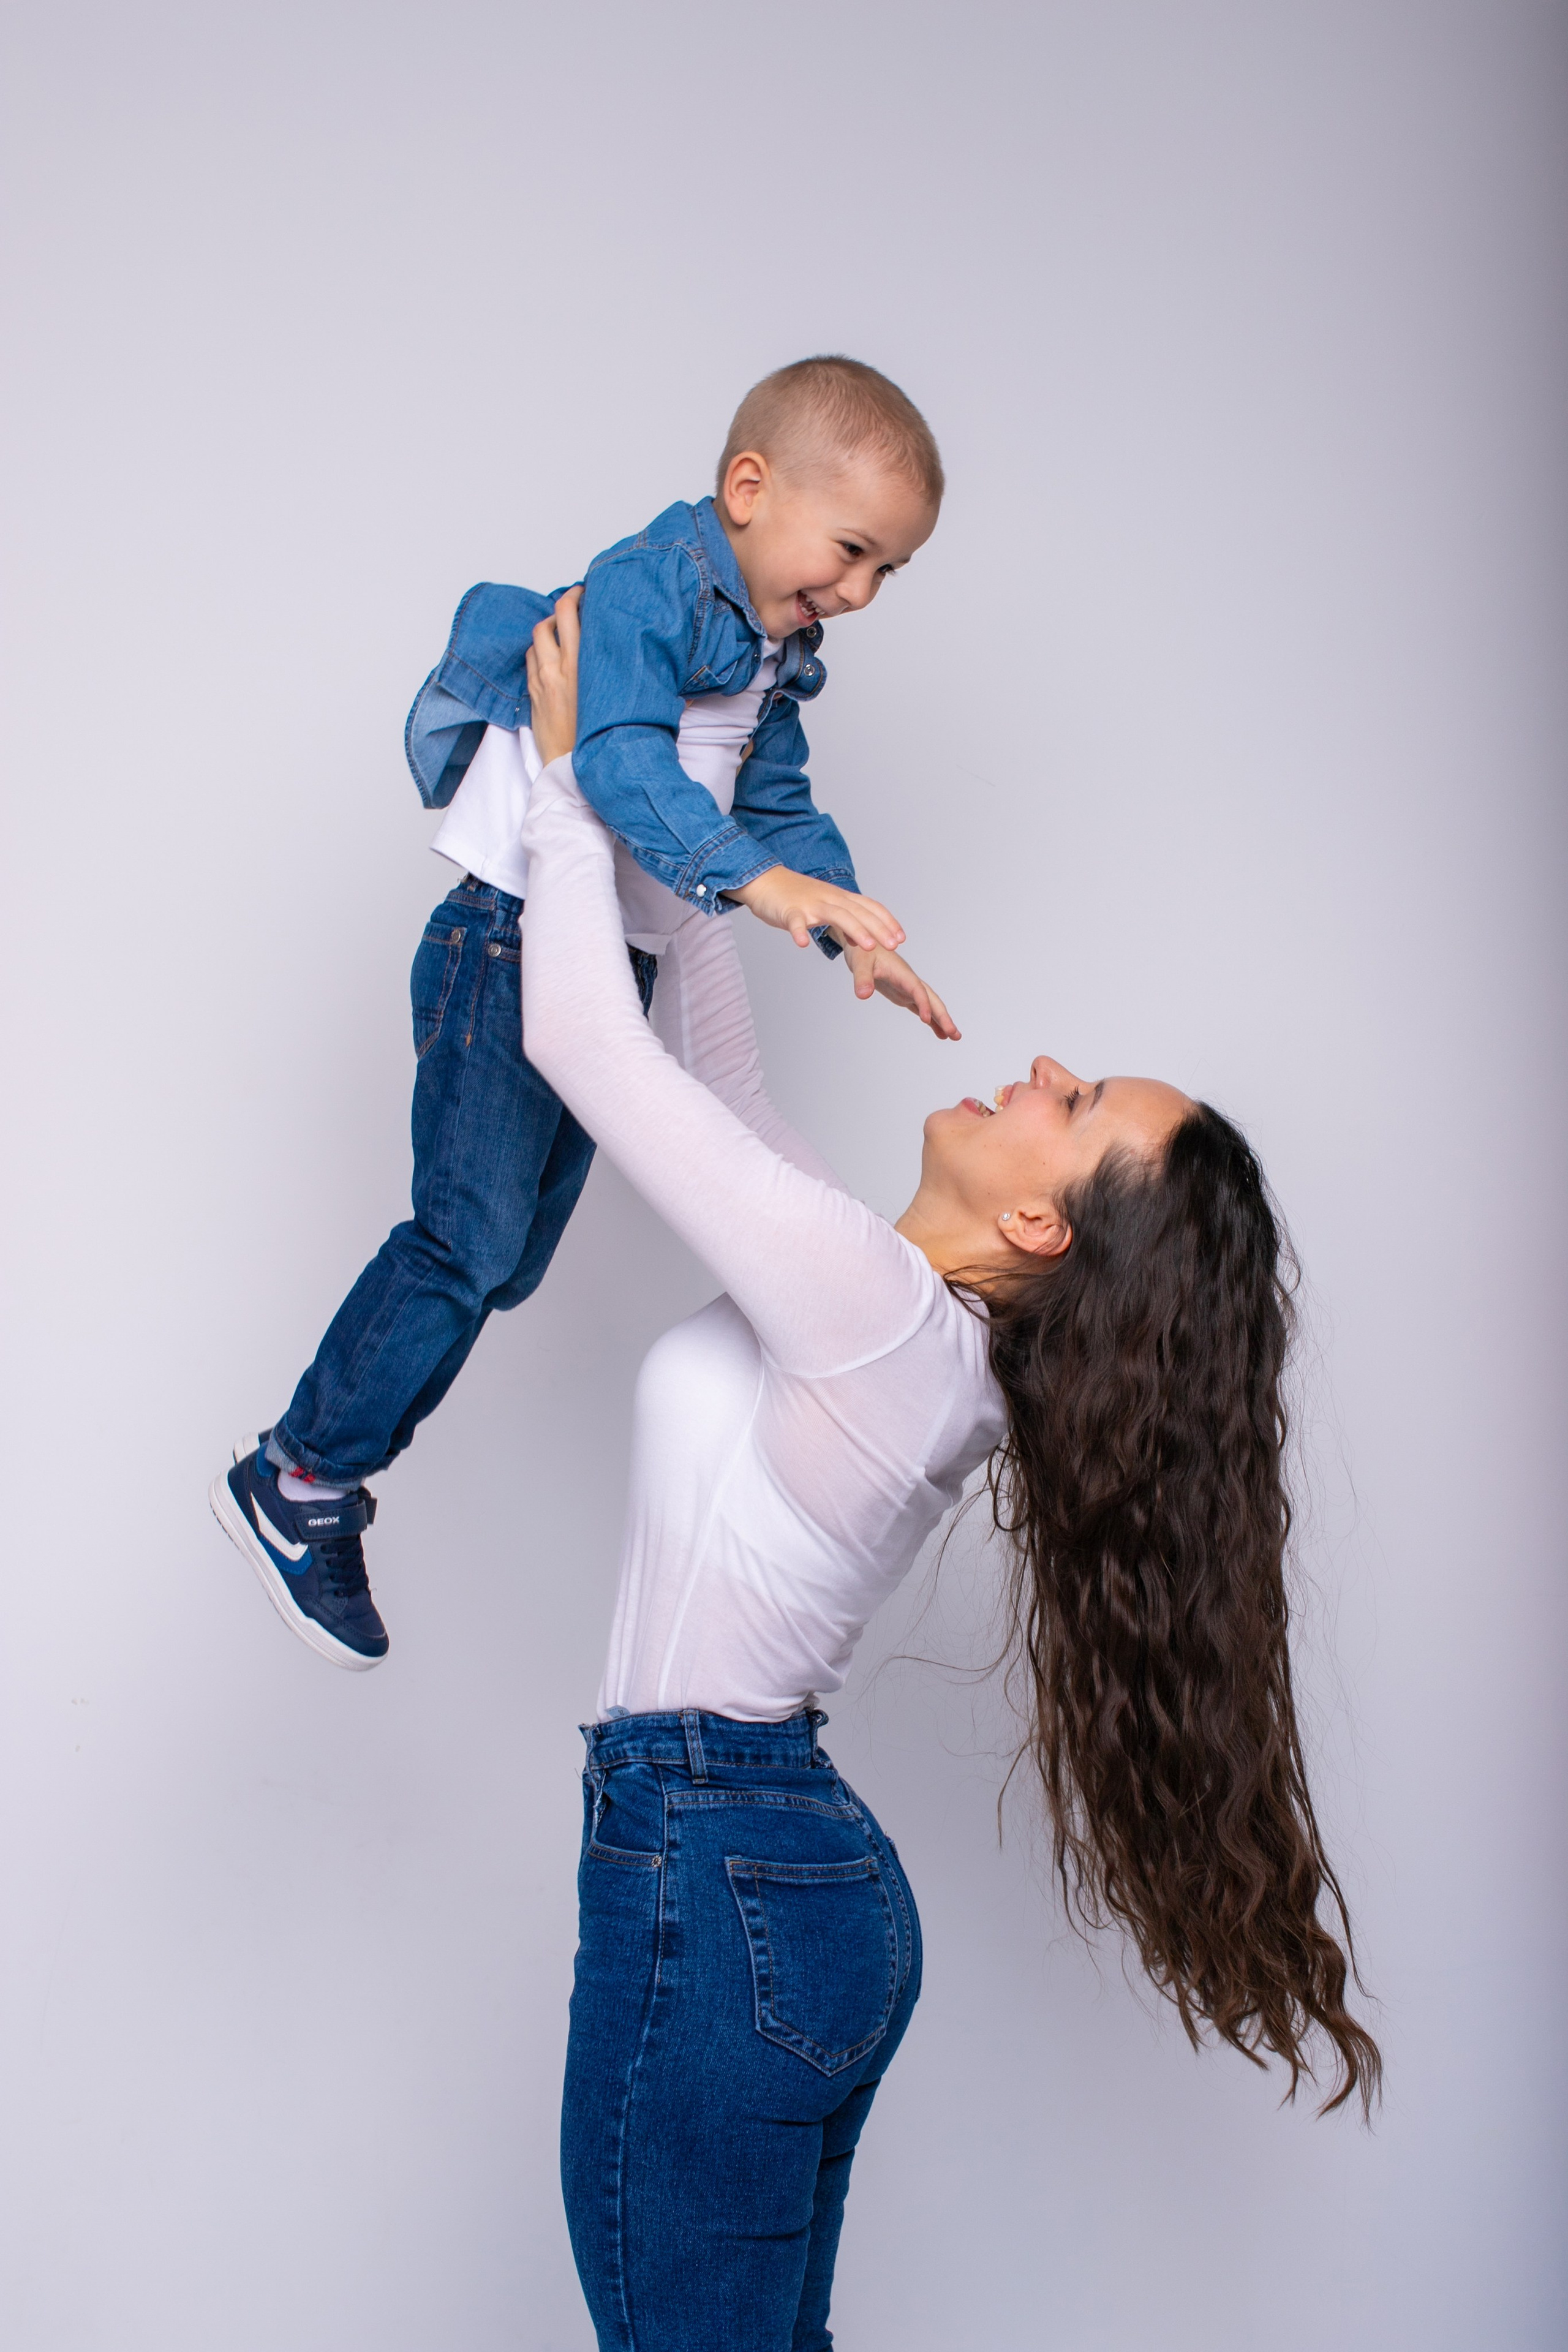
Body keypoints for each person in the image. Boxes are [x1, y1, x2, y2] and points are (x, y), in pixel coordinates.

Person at [517, 593, 1380, 2352]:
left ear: (1046, 1221)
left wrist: (555, 790)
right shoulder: (905, 1327)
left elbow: (586, 1053)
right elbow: (717, 1064)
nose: (1044, 1067)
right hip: (775, 1882)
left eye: (1078, 1104)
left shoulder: (871, 1318)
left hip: (713, 1866)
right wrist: (708, 807)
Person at [211, 357, 959, 1669]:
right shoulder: (647, 586)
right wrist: (752, 881)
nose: (856, 591)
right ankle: (301, 1475)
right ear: (748, 489)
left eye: (885, 573)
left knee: (502, 1262)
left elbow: (767, 799)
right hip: (505, 943)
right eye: (850, 550)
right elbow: (607, 761)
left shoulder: (776, 649)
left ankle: (317, 1474)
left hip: (600, 953)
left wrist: (835, 907)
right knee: (463, 1238)